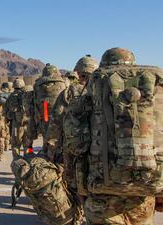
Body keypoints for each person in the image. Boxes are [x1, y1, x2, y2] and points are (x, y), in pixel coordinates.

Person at [80, 48, 163, 224]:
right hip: (144, 193)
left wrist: (78, 187)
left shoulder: (89, 98)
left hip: (102, 191)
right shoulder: (154, 96)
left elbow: (75, 144)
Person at [44, 54, 99, 224]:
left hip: (74, 150)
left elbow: (56, 122)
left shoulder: (69, 92)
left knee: (74, 185)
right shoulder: (105, 90)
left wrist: (51, 147)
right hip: (101, 150)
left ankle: (77, 217)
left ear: (79, 73)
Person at [33, 64, 67, 146]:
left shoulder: (37, 84)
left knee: (46, 136)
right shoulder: (63, 82)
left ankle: (47, 152)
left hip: (44, 113)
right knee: (60, 136)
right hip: (59, 113)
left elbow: (35, 99)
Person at [4, 79, 27, 157]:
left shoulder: (11, 96)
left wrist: (7, 119)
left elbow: (6, 111)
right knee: (28, 144)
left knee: (15, 144)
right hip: (27, 124)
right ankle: (28, 158)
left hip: (16, 125)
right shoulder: (27, 95)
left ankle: (16, 159)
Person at [1, 82, 13, 152]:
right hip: (12, 114)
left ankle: (6, 146)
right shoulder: (14, 94)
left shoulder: (2, 94)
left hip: (4, 114)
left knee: (5, 130)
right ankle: (11, 144)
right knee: (12, 131)